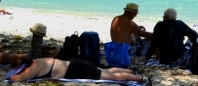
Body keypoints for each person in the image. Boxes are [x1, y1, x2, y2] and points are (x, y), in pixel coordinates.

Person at [7, 57, 145, 83]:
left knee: (108, 76)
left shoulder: (32, 68)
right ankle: (131, 72)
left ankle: (139, 78)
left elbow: (16, 79)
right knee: (105, 72)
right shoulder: (36, 60)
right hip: (74, 63)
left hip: (75, 69)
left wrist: (13, 75)